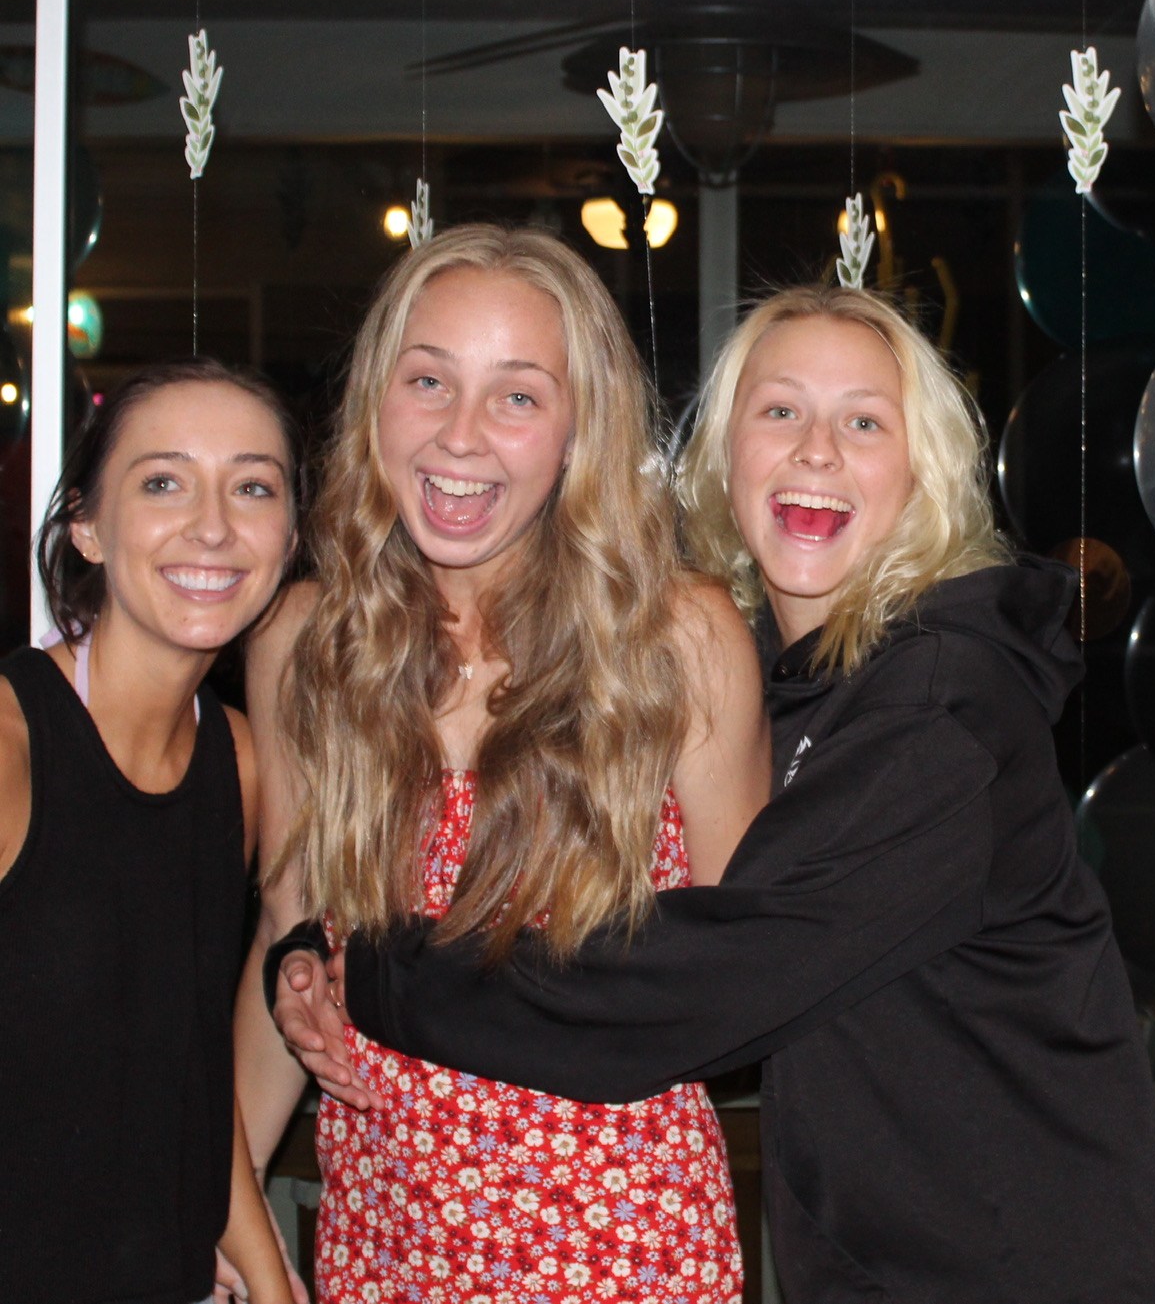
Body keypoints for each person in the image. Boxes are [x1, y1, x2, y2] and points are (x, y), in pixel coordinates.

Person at [273, 283, 1155, 1303]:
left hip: (1024, 1263)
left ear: (924, 472)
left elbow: (710, 978)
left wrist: (380, 975)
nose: (815, 450)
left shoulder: (947, 705)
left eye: (863, 421)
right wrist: (301, 948)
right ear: (723, 457)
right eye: (779, 410)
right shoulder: (802, 679)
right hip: (895, 1255)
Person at [234, 224, 768, 1304]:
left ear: (578, 432)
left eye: (517, 395)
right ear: (375, 400)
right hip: (383, 1244)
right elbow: (288, 936)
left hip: (624, 1251)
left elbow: (743, 980)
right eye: (428, 380)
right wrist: (220, 1204)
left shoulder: (677, 638)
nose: (459, 434)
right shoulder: (305, 640)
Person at [0, 358, 301, 1304]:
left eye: (252, 487)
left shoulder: (237, 760)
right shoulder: (11, 744)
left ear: (290, 538)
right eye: (163, 482)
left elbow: (189, 1076)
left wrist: (271, 1281)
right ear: (87, 525)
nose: (212, 525)